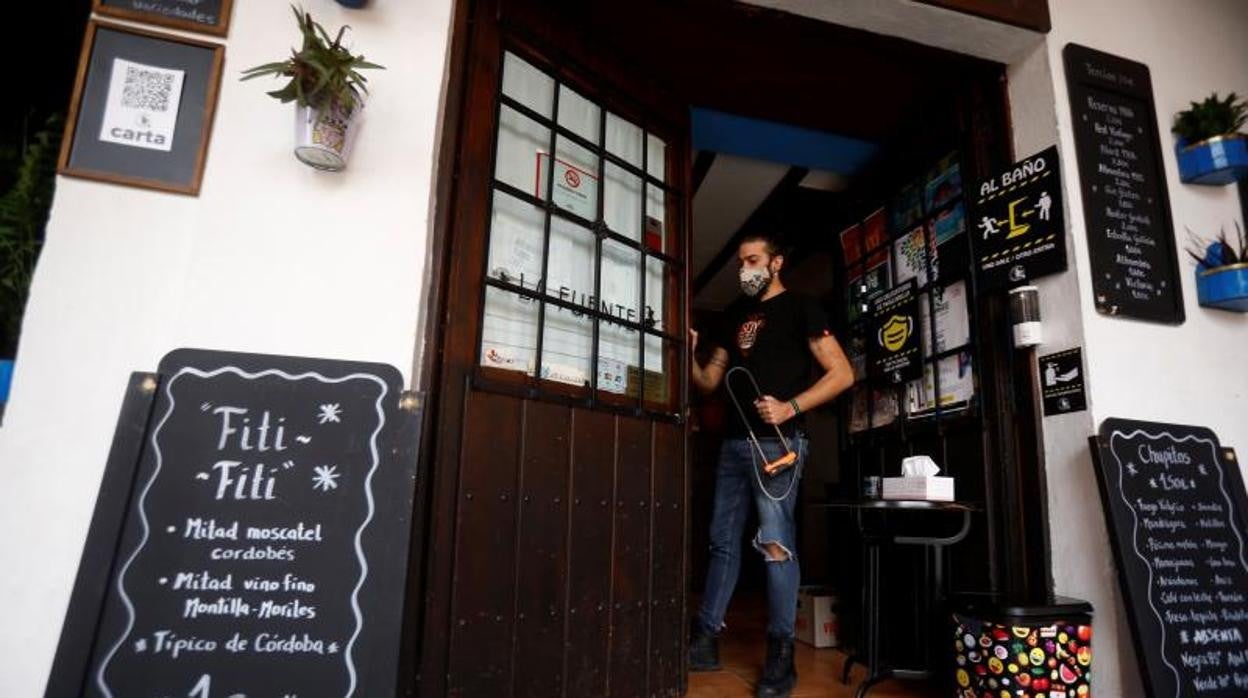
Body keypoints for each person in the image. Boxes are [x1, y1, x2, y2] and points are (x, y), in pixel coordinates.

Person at [688, 233, 854, 697]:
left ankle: (781, 655)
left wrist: (790, 408)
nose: (745, 269)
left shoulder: (802, 308)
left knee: (776, 546)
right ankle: (705, 638)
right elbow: (707, 382)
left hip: (778, 447)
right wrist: (687, 351)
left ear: (776, 263)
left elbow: (843, 373)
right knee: (722, 542)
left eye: (753, 260)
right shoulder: (730, 317)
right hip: (733, 447)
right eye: (741, 262)